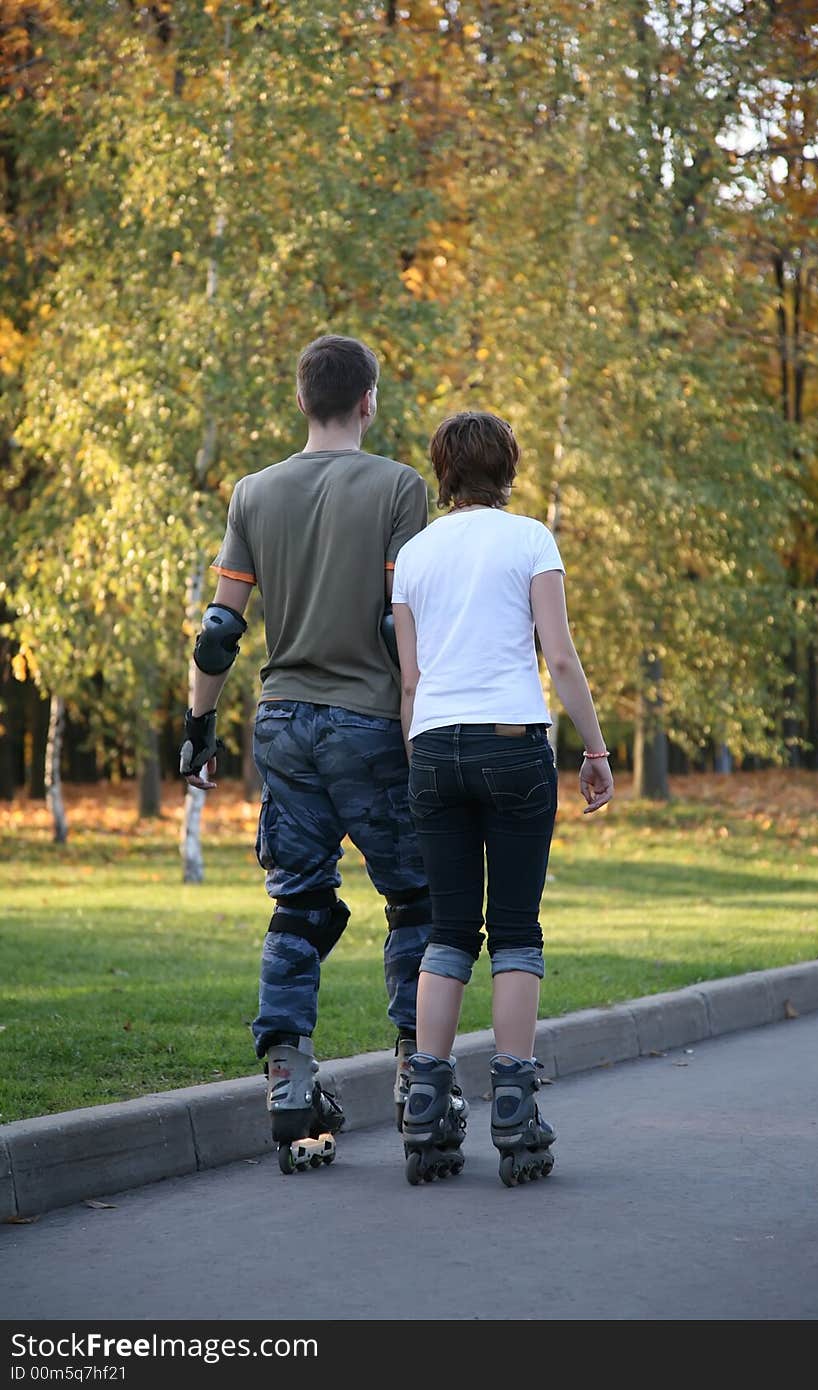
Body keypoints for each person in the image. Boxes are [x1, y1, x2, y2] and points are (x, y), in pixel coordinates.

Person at [179, 334, 433, 1174]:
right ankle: (413, 1073)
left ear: (300, 401)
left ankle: (288, 1081)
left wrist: (197, 729)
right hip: (369, 725)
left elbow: (220, 633)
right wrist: (419, 725)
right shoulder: (401, 487)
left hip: (282, 722)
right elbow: (406, 624)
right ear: (369, 401)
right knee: (412, 901)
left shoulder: (254, 492)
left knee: (298, 903)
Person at [391, 410, 614, 1187]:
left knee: (449, 930)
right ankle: (514, 1102)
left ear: (443, 471)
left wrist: (419, 755)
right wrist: (594, 747)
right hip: (513, 744)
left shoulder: (412, 554)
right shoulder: (529, 540)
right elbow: (557, 652)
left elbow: (410, 680)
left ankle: (425, 1098)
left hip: (434, 749)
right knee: (515, 927)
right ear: (507, 468)